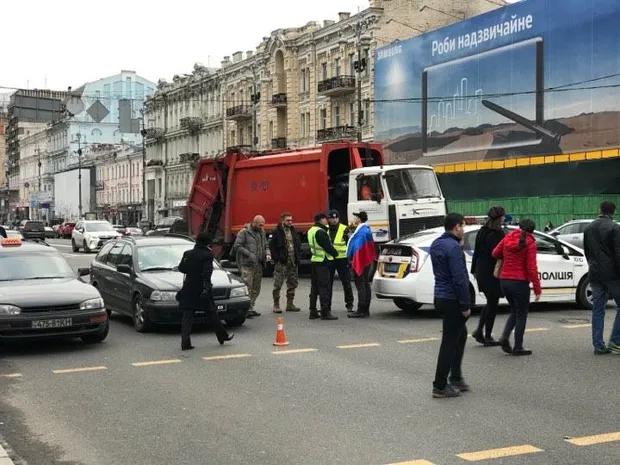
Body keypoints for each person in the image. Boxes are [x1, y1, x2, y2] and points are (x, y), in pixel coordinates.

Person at [430, 213, 471, 398]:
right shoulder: (453, 248)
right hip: (452, 298)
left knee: (460, 334)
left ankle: (455, 376)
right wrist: (465, 304)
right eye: (462, 226)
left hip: (439, 296)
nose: (464, 230)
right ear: (456, 227)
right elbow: (459, 278)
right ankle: (440, 384)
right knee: (449, 341)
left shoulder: (437, 243)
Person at [492, 219, 541, 356]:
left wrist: (508, 256)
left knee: (514, 310)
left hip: (504, 280)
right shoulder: (530, 243)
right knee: (521, 314)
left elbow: (495, 253)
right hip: (519, 282)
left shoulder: (508, 237)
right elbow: (531, 268)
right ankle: (518, 346)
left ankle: (505, 337)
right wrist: (537, 289)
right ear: (532, 230)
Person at [177, 232, 234, 350]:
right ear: (206, 243)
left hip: (188, 288)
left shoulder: (188, 253)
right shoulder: (207, 255)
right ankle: (222, 336)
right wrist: (207, 288)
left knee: (187, 316)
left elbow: (182, 269)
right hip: (202, 289)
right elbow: (207, 274)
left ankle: (185, 342)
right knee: (212, 314)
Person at [583, 201, 620, 355]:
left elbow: (587, 251)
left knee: (598, 309)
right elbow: (618, 253)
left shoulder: (588, 227)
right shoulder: (615, 227)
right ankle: (615, 341)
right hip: (612, 274)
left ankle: (598, 345)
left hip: (595, 272)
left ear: (599, 210)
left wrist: (592, 266)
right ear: (613, 212)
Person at [470, 206, 506, 346]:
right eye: (503, 216)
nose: (504, 218)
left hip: (481, 269)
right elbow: (497, 254)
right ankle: (487, 335)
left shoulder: (482, 231)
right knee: (493, 302)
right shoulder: (498, 233)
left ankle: (480, 331)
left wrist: (473, 269)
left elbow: (477, 252)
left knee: (490, 301)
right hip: (492, 271)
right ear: (499, 218)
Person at [232, 215, 271, 318]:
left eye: (263, 225)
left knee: (256, 288)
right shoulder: (244, 232)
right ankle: (245, 309)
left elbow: (266, 245)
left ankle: (251, 307)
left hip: (258, 264)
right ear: (254, 223)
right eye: (260, 225)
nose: (262, 227)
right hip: (247, 264)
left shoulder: (262, 232)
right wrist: (249, 254)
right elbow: (237, 246)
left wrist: (267, 253)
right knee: (247, 287)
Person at [308, 212, 339, 320]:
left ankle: (312, 311)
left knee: (314, 287)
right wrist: (336, 254)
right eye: (326, 219)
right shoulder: (321, 232)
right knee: (324, 287)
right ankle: (325, 312)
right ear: (321, 220)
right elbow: (327, 246)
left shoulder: (311, 230)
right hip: (323, 262)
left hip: (315, 261)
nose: (327, 221)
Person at [269, 212, 302, 314]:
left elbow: (297, 245)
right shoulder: (277, 232)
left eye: (291, 220)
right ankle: (276, 305)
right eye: (288, 220)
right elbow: (272, 246)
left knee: (292, 283)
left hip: (292, 262)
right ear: (282, 220)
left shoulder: (293, 231)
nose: (290, 222)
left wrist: (297, 257)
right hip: (282, 263)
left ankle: (290, 304)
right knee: (278, 284)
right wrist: (277, 258)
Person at [346, 211, 376, 318]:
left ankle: (361, 309)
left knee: (361, 285)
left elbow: (357, 248)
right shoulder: (365, 230)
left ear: (359, 218)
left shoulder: (361, 232)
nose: (354, 219)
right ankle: (365, 309)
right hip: (366, 261)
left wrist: (353, 259)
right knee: (365, 284)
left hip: (361, 261)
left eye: (356, 217)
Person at [327, 209, 354, 313]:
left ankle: (349, 304)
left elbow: (349, 244)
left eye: (336, 218)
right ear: (329, 219)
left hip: (342, 259)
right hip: (330, 259)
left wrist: (350, 258)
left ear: (338, 218)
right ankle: (327, 305)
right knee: (328, 284)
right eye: (332, 218)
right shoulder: (325, 229)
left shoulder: (344, 229)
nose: (334, 220)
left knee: (346, 283)